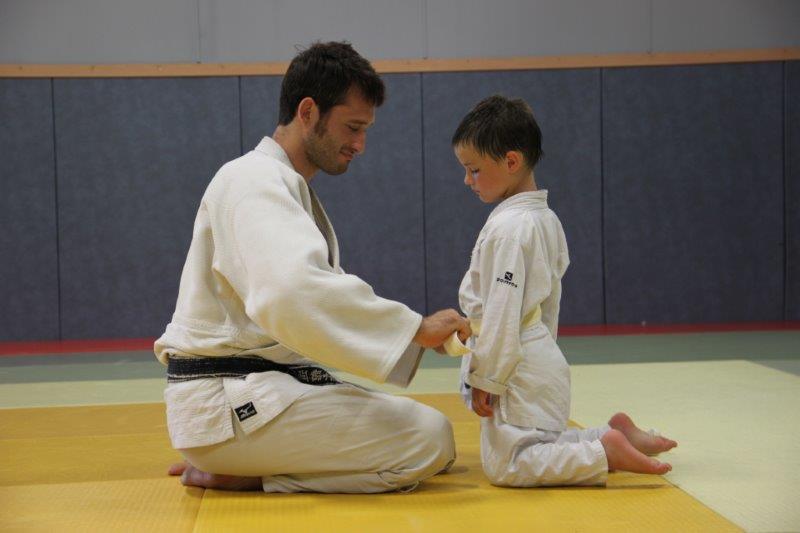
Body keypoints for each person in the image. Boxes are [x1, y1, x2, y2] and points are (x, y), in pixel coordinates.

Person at [156, 41, 470, 494]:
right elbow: (293, 292)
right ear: (308, 111)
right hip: (227, 401)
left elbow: (312, 294)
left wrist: (414, 336)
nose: (360, 145)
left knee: (432, 443)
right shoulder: (253, 181)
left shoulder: (276, 183)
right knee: (428, 439)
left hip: (250, 393)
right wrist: (415, 328)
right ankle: (244, 471)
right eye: (352, 127)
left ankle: (242, 460)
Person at [449, 95, 677, 486]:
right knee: (540, 442)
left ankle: (604, 451)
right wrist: (546, 350)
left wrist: (489, 378)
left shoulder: (509, 229)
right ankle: (613, 435)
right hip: (538, 354)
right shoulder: (546, 219)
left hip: (516, 361)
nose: (467, 181)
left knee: (508, 464)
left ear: (511, 161)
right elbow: (550, 300)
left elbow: (502, 310)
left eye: (474, 170)